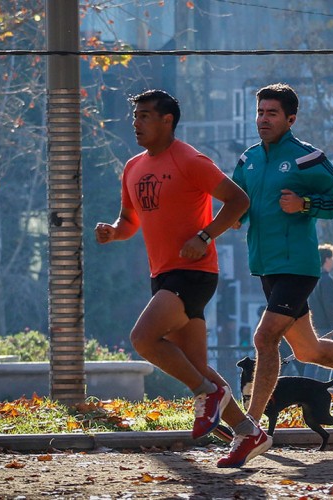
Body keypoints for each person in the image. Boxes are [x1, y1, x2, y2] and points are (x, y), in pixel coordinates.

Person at [225, 83, 333, 467]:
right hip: (265, 265)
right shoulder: (248, 160)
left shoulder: (306, 158)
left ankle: (252, 428)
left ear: (290, 118)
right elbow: (238, 204)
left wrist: (306, 204)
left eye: (272, 113)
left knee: (265, 337)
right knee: (309, 350)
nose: (263, 119)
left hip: (299, 265)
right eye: (260, 112)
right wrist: (231, 220)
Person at [94, 89, 265, 460]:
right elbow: (129, 221)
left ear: (167, 120)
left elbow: (239, 201)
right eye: (135, 116)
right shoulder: (133, 167)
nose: (136, 123)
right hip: (163, 274)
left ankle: (208, 394)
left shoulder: (189, 158)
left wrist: (205, 236)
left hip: (193, 272)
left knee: (143, 339)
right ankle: (248, 432)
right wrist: (113, 230)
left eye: (144, 116)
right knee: (196, 365)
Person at [303, 243, 333, 381]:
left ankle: (307, 387)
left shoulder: (312, 279)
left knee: (312, 360)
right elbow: (329, 306)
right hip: (326, 326)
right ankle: (322, 389)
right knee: (328, 359)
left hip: (312, 324)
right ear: (327, 259)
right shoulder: (326, 280)